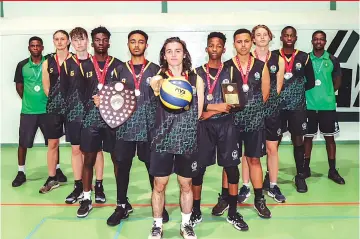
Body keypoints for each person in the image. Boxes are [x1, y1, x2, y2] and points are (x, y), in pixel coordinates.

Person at [100, 30, 169, 226]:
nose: (136, 45)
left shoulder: (157, 70)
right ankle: (122, 205)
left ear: (147, 45)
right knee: (122, 167)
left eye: (140, 42)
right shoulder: (118, 70)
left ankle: (159, 205)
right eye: (133, 42)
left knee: (152, 167)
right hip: (125, 127)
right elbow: (109, 95)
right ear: (128, 45)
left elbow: (165, 99)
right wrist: (101, 100)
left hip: (149, 128)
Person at [190, 32, 248, 231]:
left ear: (224, 49)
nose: (214, 49)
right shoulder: (196, 73)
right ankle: (196, 211)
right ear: (206, 49)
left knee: (231, 168)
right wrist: (212, 109)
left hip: (226, 125)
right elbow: (193, 103)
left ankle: (232, 212)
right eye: (211, 45)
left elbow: (237, 103)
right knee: (198, 170)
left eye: (218, 46)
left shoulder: (231, 72)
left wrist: (210, 110)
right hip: (203, 127)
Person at [147, 37, 204, 239]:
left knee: (186, 184)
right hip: (162, 140)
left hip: (187, 140)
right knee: (159, 185)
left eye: (177, 50)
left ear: (184, 54)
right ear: (164, 55)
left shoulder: (197, 80)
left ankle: (186, 225)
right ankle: (157, 225)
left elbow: (198, 111)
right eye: (169, 51)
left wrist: (184, 124)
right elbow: (154, 88)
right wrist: (159, 85)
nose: (173, 54)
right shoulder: (158, 79)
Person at [222, 28, 271, 219]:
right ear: (234, 44)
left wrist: (252, 110)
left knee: (254, 160)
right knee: (229, 162)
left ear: (251, 43)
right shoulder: (226, 67)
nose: (243, 45)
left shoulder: (261, 66)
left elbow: (265, 94)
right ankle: (225, 198)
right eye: (239, 41)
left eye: (246, 41)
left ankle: (259, 200)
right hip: (231, 121)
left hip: (254, 121)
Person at [76, 26, 122, 218]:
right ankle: (86, 198)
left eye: (104, 40)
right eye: (97, 39)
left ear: (109, 42)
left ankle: (122, 201)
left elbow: (125, 94)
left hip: (113, 120)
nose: (101, 43)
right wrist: (91, 101)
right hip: (91, 120)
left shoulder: (119, 66)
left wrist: (112, 101)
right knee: (88, 159)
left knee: (118, 160)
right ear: (92, 42)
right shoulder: (84, 65)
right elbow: (79, 94)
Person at [238, 25, 286, 203]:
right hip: (250, 111)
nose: (262, 37)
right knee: (248, 151)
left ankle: (273, 185)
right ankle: (245, 185)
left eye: (265, 34)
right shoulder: (246, 60)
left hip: (271, 109)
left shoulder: (278, 59)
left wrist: (269, 103)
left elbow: (278, 86)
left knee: (272, 148)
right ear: (253, 39)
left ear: (270, 37)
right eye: (258, 35)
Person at [60, 27, 106, 204]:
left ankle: (99, 185)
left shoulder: (97, 63)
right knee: (76, 150)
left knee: (97, 150)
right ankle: (78, 186)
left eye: (82, 39)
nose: (79, 43)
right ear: (71, 42)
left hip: (95, 115)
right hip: (74, 114)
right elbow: (64, 91)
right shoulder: (67, 64)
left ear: (88, 41)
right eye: (76, 40)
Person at [12, 36, 60, 187]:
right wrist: (28, 100)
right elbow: (19, 86)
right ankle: (21, 172)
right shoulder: (22, 65)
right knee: (23, 143)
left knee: (53, 142)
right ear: (29, 48)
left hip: (48, 111)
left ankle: (56, 170)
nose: (35, 48)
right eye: (32, 45)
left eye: (38, 45)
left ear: (42, 48)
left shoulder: (49, 62)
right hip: (29, 111)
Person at [273, 26, 315, 193]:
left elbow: (310, 81)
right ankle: (271, 175)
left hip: (297, 108)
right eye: (286, 35)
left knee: (298, 141)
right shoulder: (274, 56)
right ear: (281, 37)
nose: (289, 38)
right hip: (277, 107)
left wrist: (294, 91)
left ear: (295, 37)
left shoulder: (304, 57)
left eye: (292, 35)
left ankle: (300, 175)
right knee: (274, 142)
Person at [303, 30, 345, 184]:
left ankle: (332, 170)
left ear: (325, 42)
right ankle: (305, 168)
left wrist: (328, 93)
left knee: (330, 138)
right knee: (307, 138)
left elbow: (338, 80)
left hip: (327, 106)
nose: (318, 41)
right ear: (312, 41)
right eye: (316, 39)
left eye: (321, 39)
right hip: (309, 105)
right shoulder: (306, 59)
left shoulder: (332, 59)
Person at [40, 30, 70, 193]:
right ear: (53, 41)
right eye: (56, 39)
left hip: (73, 109)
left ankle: (81, 181)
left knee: (78, 147)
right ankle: (52, 178)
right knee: (53, 143)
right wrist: (56, 100)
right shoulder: (48, 62)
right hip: (54, 108)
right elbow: (46, 87)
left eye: (62, 39)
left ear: (68, 41)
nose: (59, 42)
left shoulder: (74, 60)